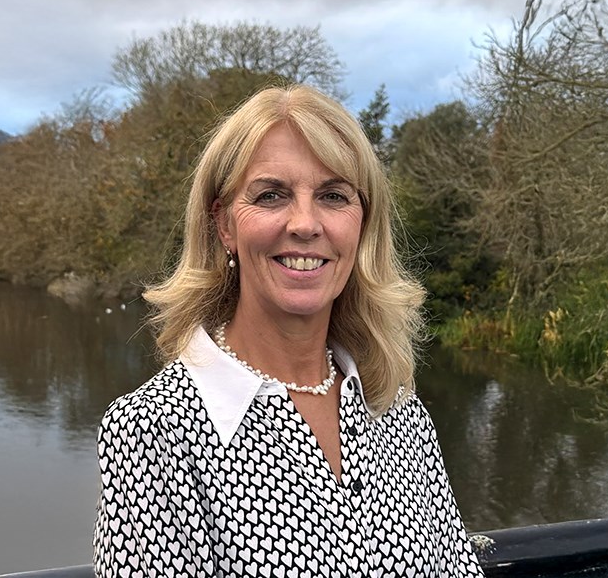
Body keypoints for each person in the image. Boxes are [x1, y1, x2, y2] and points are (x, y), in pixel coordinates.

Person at [93, 84, 484, 577]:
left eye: (333, 196)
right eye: (271, 195)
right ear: (225, 225)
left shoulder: (398, 410)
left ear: (362, 225)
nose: (305, 223)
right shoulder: (154, 433)